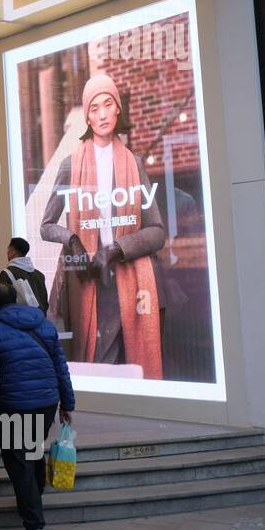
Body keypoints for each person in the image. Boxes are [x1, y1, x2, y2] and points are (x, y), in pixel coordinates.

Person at [39, 73, 164, 375]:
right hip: (88, 279)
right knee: (98, 361)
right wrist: (72, 240)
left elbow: (157, 232)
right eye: (94, 108)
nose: (102, 113)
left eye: (108, 104)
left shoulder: (133, 163)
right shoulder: (71, 163)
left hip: (131, 278)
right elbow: (46, 224)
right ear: (87, 117)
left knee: (132, 363)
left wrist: (116, 249)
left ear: (117, 108)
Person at [0, 282, 75, 530]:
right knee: (32, 452)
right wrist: (67, 403)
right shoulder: (43, 324)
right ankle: (34, 502)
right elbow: (61, 365)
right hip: (46, 401)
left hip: (15, 404)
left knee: (17, 461)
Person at [0, 237, 49, 314]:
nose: (7, 253)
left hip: (17, 322)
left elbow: (2, 303)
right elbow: (45, 302)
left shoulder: (7, 273)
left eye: (8, 249)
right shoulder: (40, 275)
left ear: (13, 251)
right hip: (39, 320)